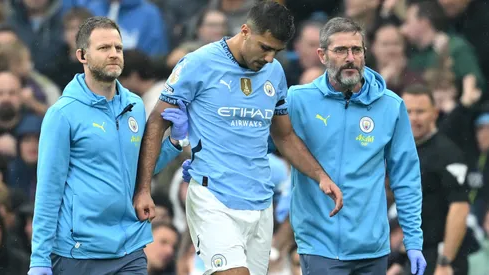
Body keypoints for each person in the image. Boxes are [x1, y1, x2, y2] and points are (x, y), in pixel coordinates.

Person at [182, 16, 427, 275]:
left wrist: (413, 241)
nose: (350, 58)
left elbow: (406, 178)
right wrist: (207, 159)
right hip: (319, 245)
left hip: (373, 247)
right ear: (321, 55)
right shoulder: (298, 100)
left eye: (356, 50)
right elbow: (254, 144)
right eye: (341, 50)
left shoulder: (390, 106)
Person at [135, 1, 343, 275]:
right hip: (213, 197)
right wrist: (143, 188)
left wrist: (321, 176)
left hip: (260, 201)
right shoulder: (198, 64)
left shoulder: (275, 72)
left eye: (277, 51)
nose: (270, 58)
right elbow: (156, 122)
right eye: (265, 47)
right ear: (245, 31)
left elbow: (284, 135)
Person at [28, 17, 188, 275]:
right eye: (104, 48)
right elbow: (48, 190)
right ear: (82, 55)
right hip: (79, 251)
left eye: (118, 47)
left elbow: (137, 171)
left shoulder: (134, 105)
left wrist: (173, 142)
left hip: (130, 247)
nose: (114, 54)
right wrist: (39, 258)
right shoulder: (62, 114)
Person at [389, 84, 470, 275]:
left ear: (434, 113)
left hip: (442, 259)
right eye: (408, 111)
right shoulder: (405, 152)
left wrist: (445, 261)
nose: (414, 118)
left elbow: (460, 208)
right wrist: (400, 262)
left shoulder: (448, 153)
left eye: (420, 111)